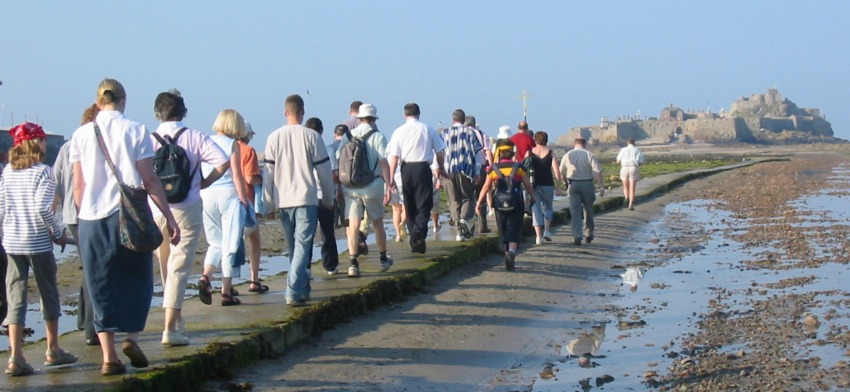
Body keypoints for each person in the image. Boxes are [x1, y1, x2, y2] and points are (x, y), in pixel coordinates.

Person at [70, 78, 180, 376]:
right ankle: (131, 337)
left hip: (92, 219)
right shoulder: (136, 130)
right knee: (137, 278)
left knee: (99, 285)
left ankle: (109, 357)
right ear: (123, 100)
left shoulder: (80, 134)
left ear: (98, 101)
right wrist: (169, 218)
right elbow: (149, 180)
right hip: (130, 215)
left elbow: (78, 186)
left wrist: (83, 216)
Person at [150, 91, 231, 345]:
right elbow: (223, 162)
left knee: (165, 266)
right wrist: (204, 182)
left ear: (157, 113)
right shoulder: (195, 137)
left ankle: (175, 319)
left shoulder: (147, 140)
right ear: (183, 112)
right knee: (179, 267)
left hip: (156, 208)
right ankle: (170, 328)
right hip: (187, 206)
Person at [1, 122, 77, 376]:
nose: (46, 144)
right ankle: (53, 349)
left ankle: (15, 356)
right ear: (36, 143)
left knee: (16, 296)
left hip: (11, 242)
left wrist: (4, 235)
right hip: (37, 241)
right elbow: (44, 208)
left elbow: (1, 210)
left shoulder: (8, 172)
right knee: (48, 292)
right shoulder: (43, 172)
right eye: (43, 140)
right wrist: (58, 233)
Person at [266, 95, 333, 306]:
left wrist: (267, 202)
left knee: (295, 247)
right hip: (306, 197)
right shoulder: (312, 136)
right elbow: (324, 172)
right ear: (302, 112)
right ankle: (293, 288)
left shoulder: (273, 137)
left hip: (283, 199)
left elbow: (268, 173)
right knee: (302, 246)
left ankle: (303, 288)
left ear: (285, 113)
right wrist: (329, 198)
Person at [54, 103, 99, 346]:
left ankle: (84, 319)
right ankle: (92, 328)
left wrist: (54, 214)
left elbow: (56, 181)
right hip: (88, 214)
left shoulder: (66, 147)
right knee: (93, 268)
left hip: (70, 215)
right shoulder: (93, 145)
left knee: (86, 265)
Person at [198, 109, 250, 307]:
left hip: (207, 194)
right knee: (229, 244)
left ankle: (206, 276)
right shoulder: (232, 145)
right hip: (228, 195)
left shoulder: (205, 141)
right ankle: (226, 291)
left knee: (215, 242)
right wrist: (244, 199)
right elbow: (237, 175)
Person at [337, 103, 393, 276]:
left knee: (353, 225)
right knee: (377, 223)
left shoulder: (349, 135)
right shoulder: (378, 136)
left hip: (351, 186)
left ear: (360, 118)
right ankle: (383, 259)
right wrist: (389, 185)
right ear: (374, 119)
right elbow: (384, 162)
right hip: (372, 185)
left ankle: (353, 264)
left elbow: (340, 159)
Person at [387, 103, 446, 253]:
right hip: (422, 167)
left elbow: (394, 157)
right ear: (419, 113)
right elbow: (440, 152)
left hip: (406, 169)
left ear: (404, 114)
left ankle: (415, 237)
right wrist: (441, 167)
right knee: (424, 203)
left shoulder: (399, 131)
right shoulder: (427, 128)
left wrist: (391, 177)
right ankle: (419, 231)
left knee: (409, 204)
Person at [475, 140, 535, 271]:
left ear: (500, 153)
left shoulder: (493, 169)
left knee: (502, 227)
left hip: (499, 202)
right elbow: (527, 185)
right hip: (516, 201)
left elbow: (486, 186)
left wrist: (479, 202)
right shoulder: (519, 167)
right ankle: (512, 252)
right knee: (514, 227)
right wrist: (532, 198)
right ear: (512, 152)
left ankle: (505, 250)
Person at [304, 117, 340, 275]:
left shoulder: (303, 150)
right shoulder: (328, 150)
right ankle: (330, 265)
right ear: (322, 131)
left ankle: (306, 267)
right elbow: (333, 175)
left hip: (308, 196)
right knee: (327, 232)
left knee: (307, 234)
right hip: (325, 195)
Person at [441, 109, 482, 242]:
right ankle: (464, 218)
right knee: (468, 198)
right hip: (466, 169)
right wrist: (477, 172)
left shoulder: (444, 133)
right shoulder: (470, 132)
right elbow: (477, 154)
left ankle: (459, 232)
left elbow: (439, 153)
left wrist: (437, 171)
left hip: (448, 170)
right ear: (464, 120)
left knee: (453, 201)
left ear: (452, 120)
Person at [237, 122, 267, 292]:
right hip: (246, 200)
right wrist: (263, 179)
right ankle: (254, 279)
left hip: (228, 200)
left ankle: (227, 284)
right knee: (254, 241)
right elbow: (250, 178)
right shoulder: (248, 151)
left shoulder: (228, 148)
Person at [559, 137, 604, 246]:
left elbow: (561, 172)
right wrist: (601, 186)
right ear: (584, 144)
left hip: (573, 184)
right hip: (587, 184)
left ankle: (577, 236)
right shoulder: (589, 154)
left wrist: (565, 182)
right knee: (588, 210)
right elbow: (597, 171)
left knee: (575, 212)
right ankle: (588, 233)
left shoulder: (567, 155)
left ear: (574, 144)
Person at [529, 131, 563, 245]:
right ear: (546, 140)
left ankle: (538, 236)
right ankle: (547, 231)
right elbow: (557, 172)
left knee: (536, 209)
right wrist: (559, 187)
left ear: (535, 139)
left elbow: (523, 168)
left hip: (534, 184)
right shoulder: (550, 153)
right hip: (548, 184)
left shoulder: (529, 153)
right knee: (548, 207)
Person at [464, 115, 493, 234]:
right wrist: (491, 167)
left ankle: (470, 224)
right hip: (481, 167)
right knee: (481, 196)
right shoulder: (482, 134)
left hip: (466, 168)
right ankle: (482, 224)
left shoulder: (463, 134)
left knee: (468, 197)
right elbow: (488, 152)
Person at [616, 138, 644, 210]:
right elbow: (641, 162)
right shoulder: (637, 150)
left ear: (627, 143)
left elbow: (618, 161)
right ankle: (631, 204)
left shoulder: (623, 149)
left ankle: (626, 197)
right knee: (632, 188)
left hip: (624, 167)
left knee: (625, 186)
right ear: (634, 143)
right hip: (633, 167)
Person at [330, 125, 348, 228]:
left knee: (333, 220)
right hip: (347, 184)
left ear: (334, 134)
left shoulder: (330, 148)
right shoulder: (350, 146)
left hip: (332, 184)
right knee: (348, 220)